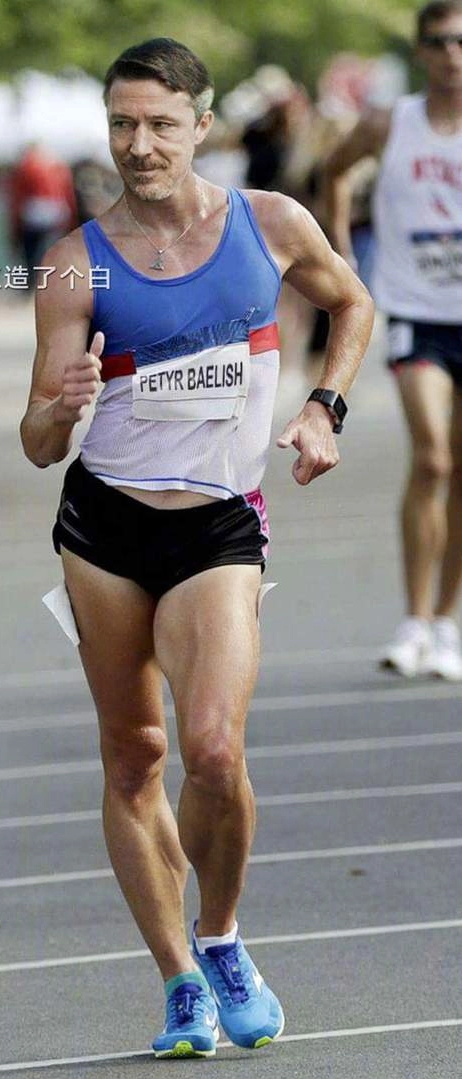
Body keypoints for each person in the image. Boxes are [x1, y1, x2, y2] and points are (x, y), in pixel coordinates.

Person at [20, 38, 373, 1059]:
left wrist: (324, 406)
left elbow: (350, 301)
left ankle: (220, 936)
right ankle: (179, 979)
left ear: (202, 126)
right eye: (121, 125)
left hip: (217, 523)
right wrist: (61, 406)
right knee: (135, 755)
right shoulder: (76, 261)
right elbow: (37, 443)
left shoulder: (269, 223)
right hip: (103, 530)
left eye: (159, 125)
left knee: (214, 750)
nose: (138, 145)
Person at [325, 1, 462, 681]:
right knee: (432, 459)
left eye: (461, 41)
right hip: (414, 312)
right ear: (419, 51)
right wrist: (340, 256)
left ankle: (446, 622)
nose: (451, 53)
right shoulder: (388, 123)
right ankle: (413, 620)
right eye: (438, 41)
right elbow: (332, 171)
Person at [8, 142, 78, 289]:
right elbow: (66, 193)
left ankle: (33, 285)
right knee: (49, 252)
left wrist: (15, 224)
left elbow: (17, 195)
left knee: (32, 253)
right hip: (54, 212)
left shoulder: (26, 166)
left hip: (34, 214)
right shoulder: (57, 166)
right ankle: (49, 284)